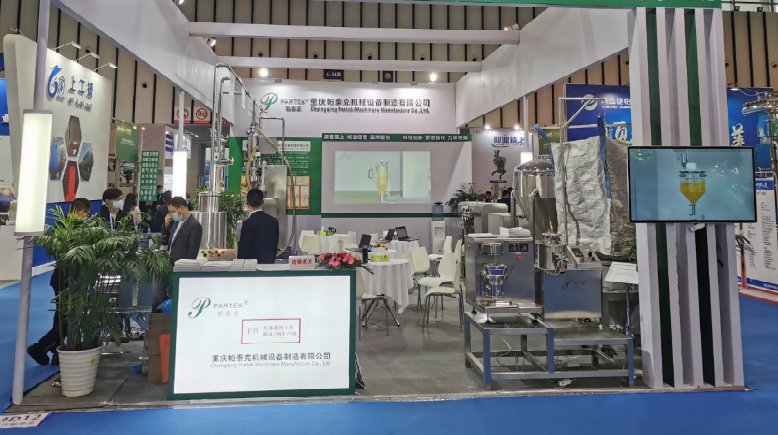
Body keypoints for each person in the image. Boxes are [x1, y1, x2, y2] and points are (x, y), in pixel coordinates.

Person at [27, 198, 91, 366]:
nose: (87, 217)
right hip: (67, 279)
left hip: (63, 278)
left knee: (61, 318)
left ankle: (56, 353)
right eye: (86, 214)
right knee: (66, 320)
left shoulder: (62, 225)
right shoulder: (70, 228)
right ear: (81, 212)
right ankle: (39, 347)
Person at [238, 189, 280, 264]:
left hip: (251, 267)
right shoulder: (274, 222)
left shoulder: (247, 224)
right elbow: (274, 247)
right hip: (269, 266)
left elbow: (243, 251)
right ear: (263, 202)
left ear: (247, 203)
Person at [161, 196, 203, 265]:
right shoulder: (176, 221)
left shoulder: (194, 225)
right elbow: (165, 240)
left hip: (181, 265)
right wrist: (166, 225)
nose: (171, 214)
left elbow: (192, 252)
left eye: (173, 212)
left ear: (181, 208)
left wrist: (184, 267)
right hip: (170, 262)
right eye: (169, 212)